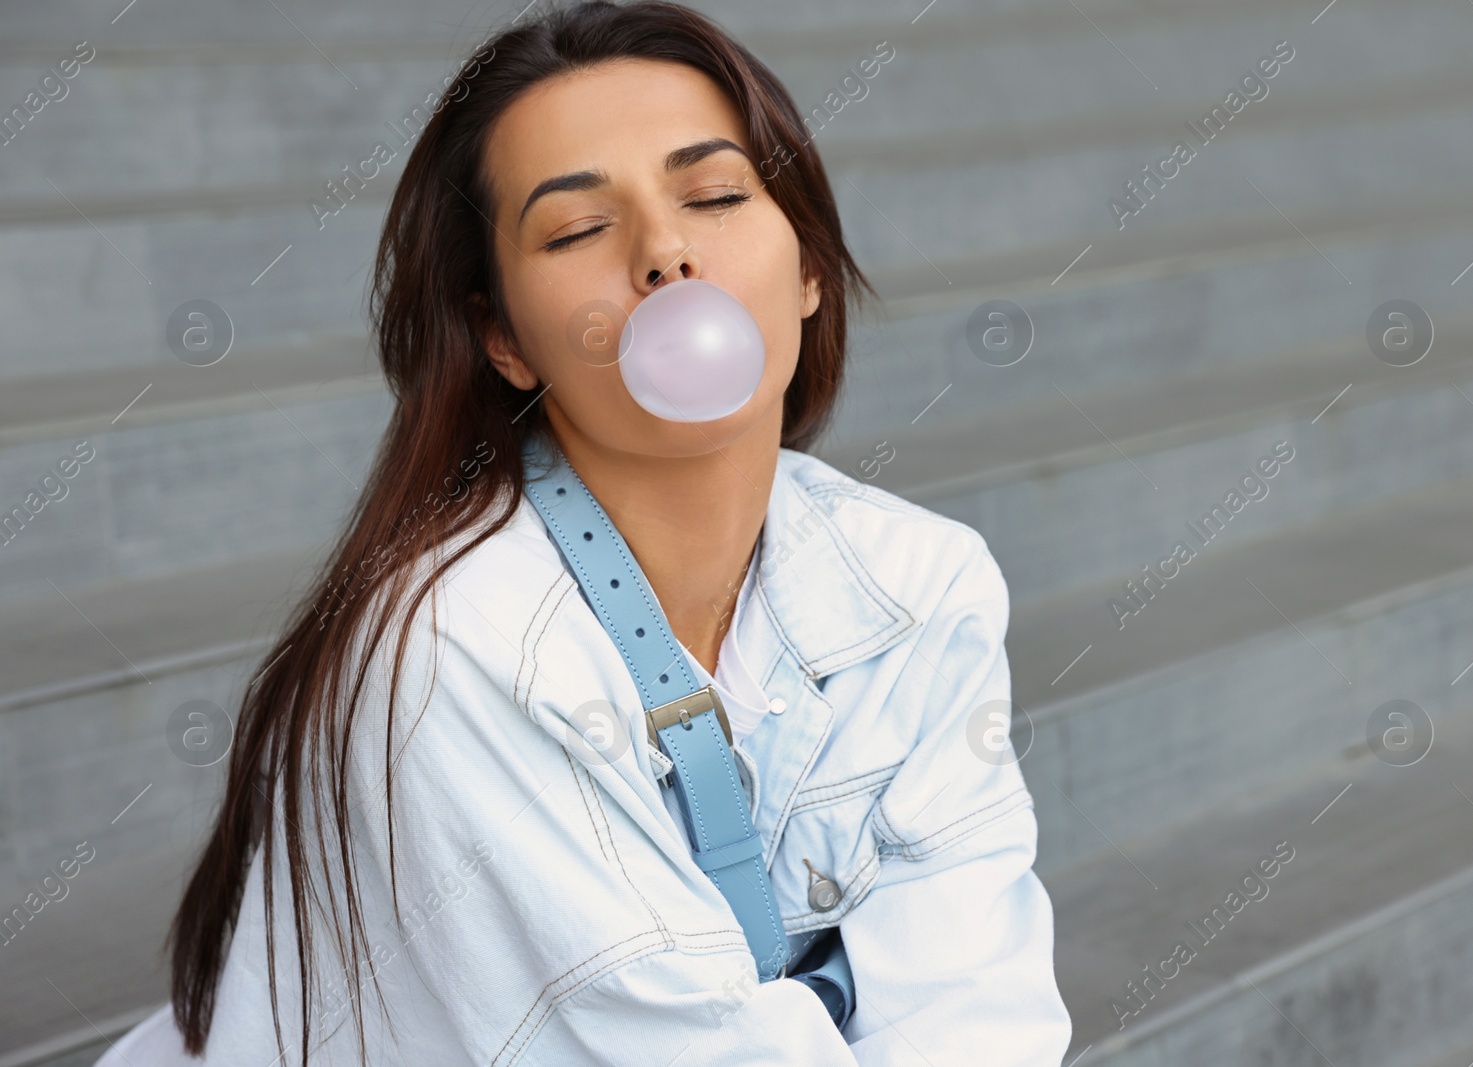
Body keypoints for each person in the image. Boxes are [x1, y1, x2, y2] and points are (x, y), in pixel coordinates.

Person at [138, 2, 1072, 1063]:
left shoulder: (922, 582)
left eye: (714, 195)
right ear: (504, 338)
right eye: (578, 228)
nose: (666, 252)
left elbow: (975, 1009)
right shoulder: (450, 650)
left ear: (809, 266)